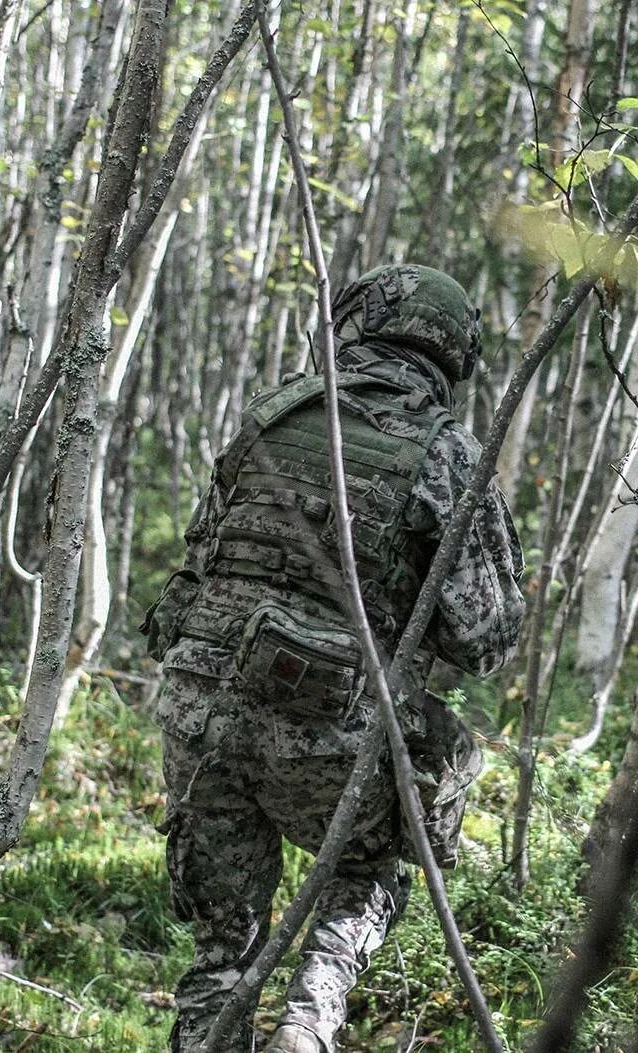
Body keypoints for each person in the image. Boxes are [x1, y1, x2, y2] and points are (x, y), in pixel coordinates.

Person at [140, 264, 525, 1053]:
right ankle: (311, 1014)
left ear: (351, 326)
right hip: (332, 729)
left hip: (198, 709)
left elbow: (196, 568)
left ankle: (213, 1029)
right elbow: (483, 636)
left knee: (223, 948)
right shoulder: (446, 451)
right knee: (384, 846)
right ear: (451, 357)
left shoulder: (271, 415)